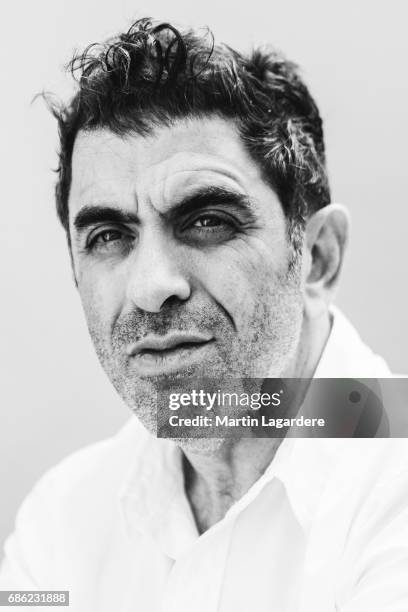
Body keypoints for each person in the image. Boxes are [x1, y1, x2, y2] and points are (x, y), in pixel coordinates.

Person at [1, 17, 408, 612]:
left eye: (208, 221)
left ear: (317, 259)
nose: (151, 287)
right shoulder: (61, 521)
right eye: (109, 235)